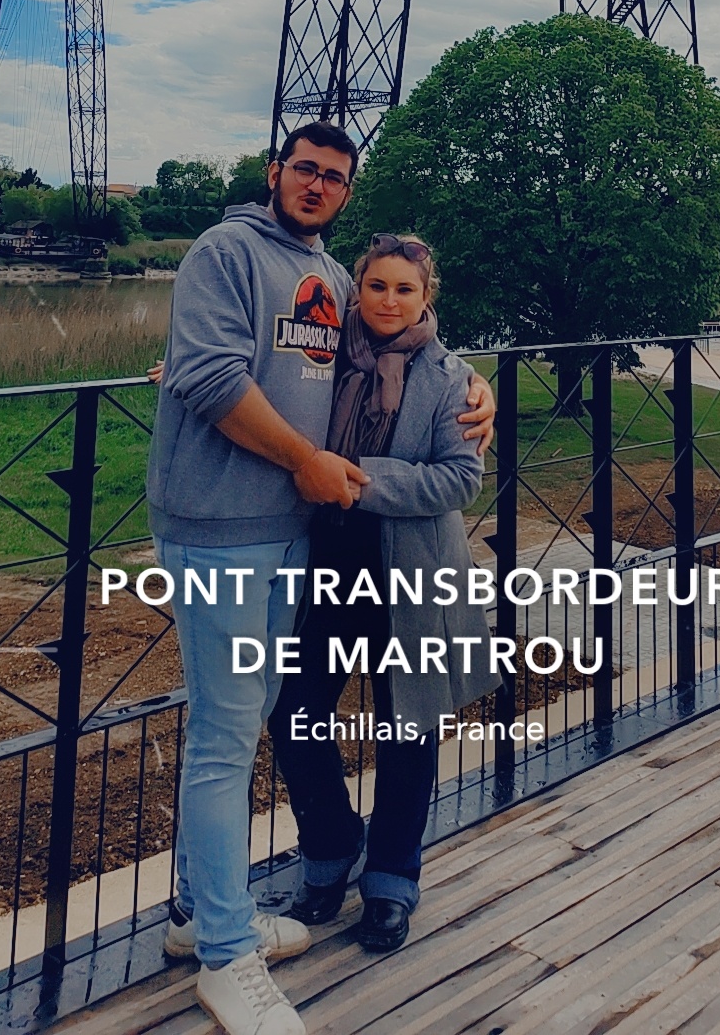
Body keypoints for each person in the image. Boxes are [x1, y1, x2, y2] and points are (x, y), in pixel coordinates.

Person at [145, 126, 494, 1035]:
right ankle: (263, 906)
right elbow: (227, 368)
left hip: (379, 562)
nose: (316, 184)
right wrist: (190, 373)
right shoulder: (236, 254)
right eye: (304, 168)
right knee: (259, 725)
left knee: (394, 722)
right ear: (276, 172)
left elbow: (453, 460)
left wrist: (475, 393)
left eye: (334, 176)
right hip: (274, 541)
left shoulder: (380, 321)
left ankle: (363, 885)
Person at [269, 233, 498, 956]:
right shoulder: (322, 357)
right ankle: (331, 845)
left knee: (408, 731)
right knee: (293, 711)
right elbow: (257, 382)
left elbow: (461, 479)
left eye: (405, 289)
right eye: (376, 286)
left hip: (412, 577)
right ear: (356, 289)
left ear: (426, 297)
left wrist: (355, 477)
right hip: (327, 570)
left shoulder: (453, 380)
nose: (389, 301)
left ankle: (393, 879)